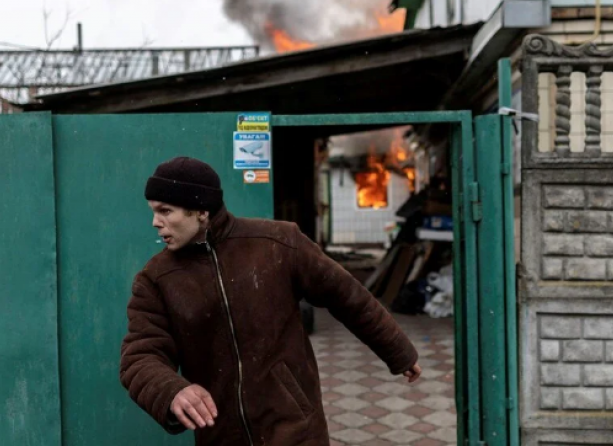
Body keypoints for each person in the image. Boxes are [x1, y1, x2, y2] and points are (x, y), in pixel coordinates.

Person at [120, 157, 422, 446]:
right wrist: (171, 391)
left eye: (165, 211)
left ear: (200, 210)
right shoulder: (156, 279)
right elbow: (140, 355)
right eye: (154, 211)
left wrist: (398, 351)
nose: (155, 223)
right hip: (221, 434)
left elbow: (347, 296)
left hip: (295, 427)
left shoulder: (278, 243)